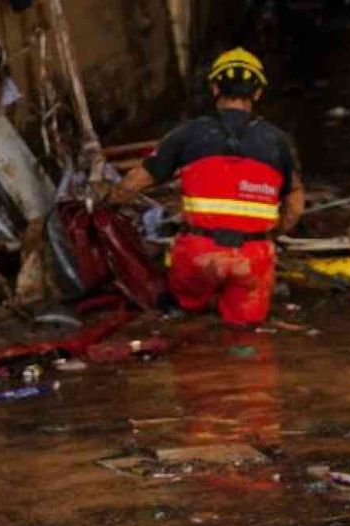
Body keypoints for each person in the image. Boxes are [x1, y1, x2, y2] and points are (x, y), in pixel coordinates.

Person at [110, 48, 304, 327]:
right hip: (252, 257)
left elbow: (134, 182)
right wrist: (273, 234)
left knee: (183, 317)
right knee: (245, 330)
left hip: (199, 255)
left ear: (214, 88)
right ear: (258, 93)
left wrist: (108, 204)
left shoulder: (187, 134)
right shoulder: (279, 142)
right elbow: (295, 205)